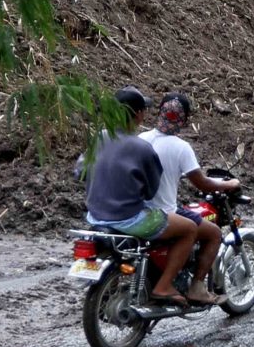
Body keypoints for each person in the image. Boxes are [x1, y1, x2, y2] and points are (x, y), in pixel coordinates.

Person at [84, 86, 201, 307]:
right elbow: (150, 191)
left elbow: (80, 172)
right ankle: (164, 286)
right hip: (128, 219)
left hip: (95, 216)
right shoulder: (141, 147)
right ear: (138, 114)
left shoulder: (98, 138)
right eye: (143, 110)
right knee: (189, 229)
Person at [139, 90, 241, 307]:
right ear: (185, 120)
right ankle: (197, 287)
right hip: (164, 212)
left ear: (159, 112)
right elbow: (202, 183)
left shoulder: (140, 139)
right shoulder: (181, 148)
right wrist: (229, 184)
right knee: (213, 233)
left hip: (137, 210)